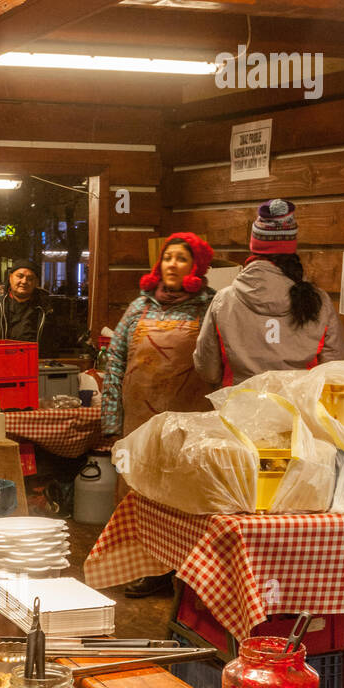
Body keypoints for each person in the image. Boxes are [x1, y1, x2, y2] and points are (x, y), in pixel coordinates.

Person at [100, 232, 216, 597]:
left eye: (181, 258)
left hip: (187, 421)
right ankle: (146, 569)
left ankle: (184, 572)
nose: (172, 265)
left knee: (180, 496)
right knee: (138, 495)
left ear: (195, 267)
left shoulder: (210, 308)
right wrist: (111, 421)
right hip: (137, 422)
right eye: (168, 258)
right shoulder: (139, 307)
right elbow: (115, 362)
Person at [194, 198, 344, 387]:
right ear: (291, 246)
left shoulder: (224, 301)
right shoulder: (318, 300)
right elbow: (336, 368)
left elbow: (207, 369)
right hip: (299, 410)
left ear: (254, 245)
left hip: (238, 408)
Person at [0, 258, 53, 346]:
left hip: (32, 357)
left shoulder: (46, 307)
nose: (24, 281)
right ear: (10, 277)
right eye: (20, 276)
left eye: (30, 278)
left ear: (36, 282)